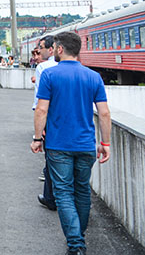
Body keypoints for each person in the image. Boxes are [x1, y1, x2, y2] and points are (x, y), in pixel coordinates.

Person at [31, 31, 112, 255]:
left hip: (59, 145)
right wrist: (105, 143)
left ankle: (76, 245)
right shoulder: (93, 77)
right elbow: (104, 114)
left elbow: (42, 109)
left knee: (64, 193)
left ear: (59, 49)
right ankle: (78, 237)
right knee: (82, 191)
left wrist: (37, 138)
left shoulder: (50, 75)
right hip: (86, 144)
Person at [31, 35, 58, 210]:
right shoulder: (83, 71)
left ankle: (50, 197)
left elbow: (40, 104)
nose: (39, 51)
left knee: (51, 160)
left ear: (52, 48)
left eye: (41, 47)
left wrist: (38, 136)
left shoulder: (43, 68)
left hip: (50, 120)